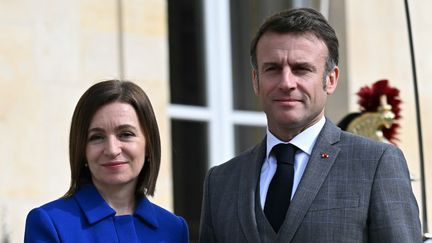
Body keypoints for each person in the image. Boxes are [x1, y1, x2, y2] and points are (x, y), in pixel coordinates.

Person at [199, 8, 421, 243]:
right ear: (256, 80)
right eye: (272, 68)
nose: (286, 83)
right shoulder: (221, 181)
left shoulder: (376, 163)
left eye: (301, 69)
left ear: (331, 79)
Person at [24, 80, 189, 242]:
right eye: (97, 137)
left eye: (126, 134)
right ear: (82, 149)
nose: (112, 150)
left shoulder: (173, 229)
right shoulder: (49, 223)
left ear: (149, 144)